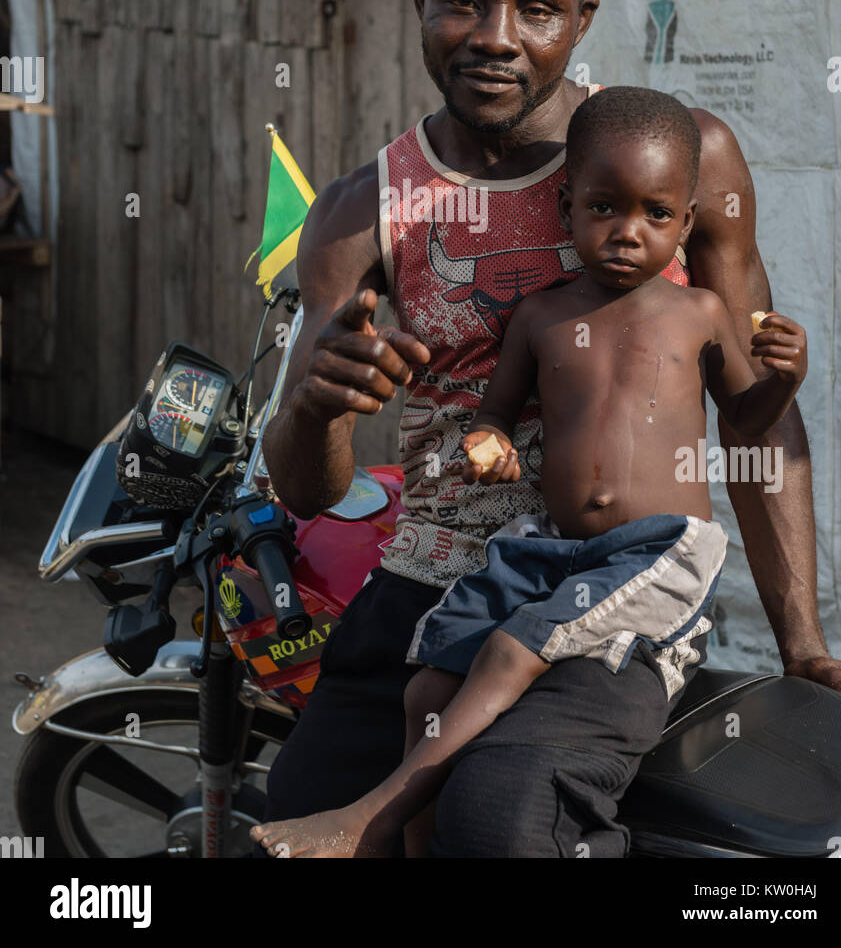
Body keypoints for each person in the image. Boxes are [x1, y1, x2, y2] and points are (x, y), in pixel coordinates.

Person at [255, 0, 841, 860]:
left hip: (616, 574)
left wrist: (802, 639)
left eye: (535, 7)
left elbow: (759, 419)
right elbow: (304, 488)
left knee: (502, 821)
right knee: (297, 816)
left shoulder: (680, 160)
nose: (496, 35)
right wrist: (319, 410)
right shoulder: (363, 211)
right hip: (437, 578)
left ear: (580, 20)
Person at [250, 88, 808, 857]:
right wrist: (479, 440)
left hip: (654, 551)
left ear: (685, 223)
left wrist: (782, 379)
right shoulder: (535, 313)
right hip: (542, 544)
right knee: (425, 688)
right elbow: (491, 412)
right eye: (605, 209)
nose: (626, 233)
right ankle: (409, 836)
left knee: (512, 674)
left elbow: (750, 424)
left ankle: (370, 815)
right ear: (566, 204)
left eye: (654, 215)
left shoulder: (700, 311)